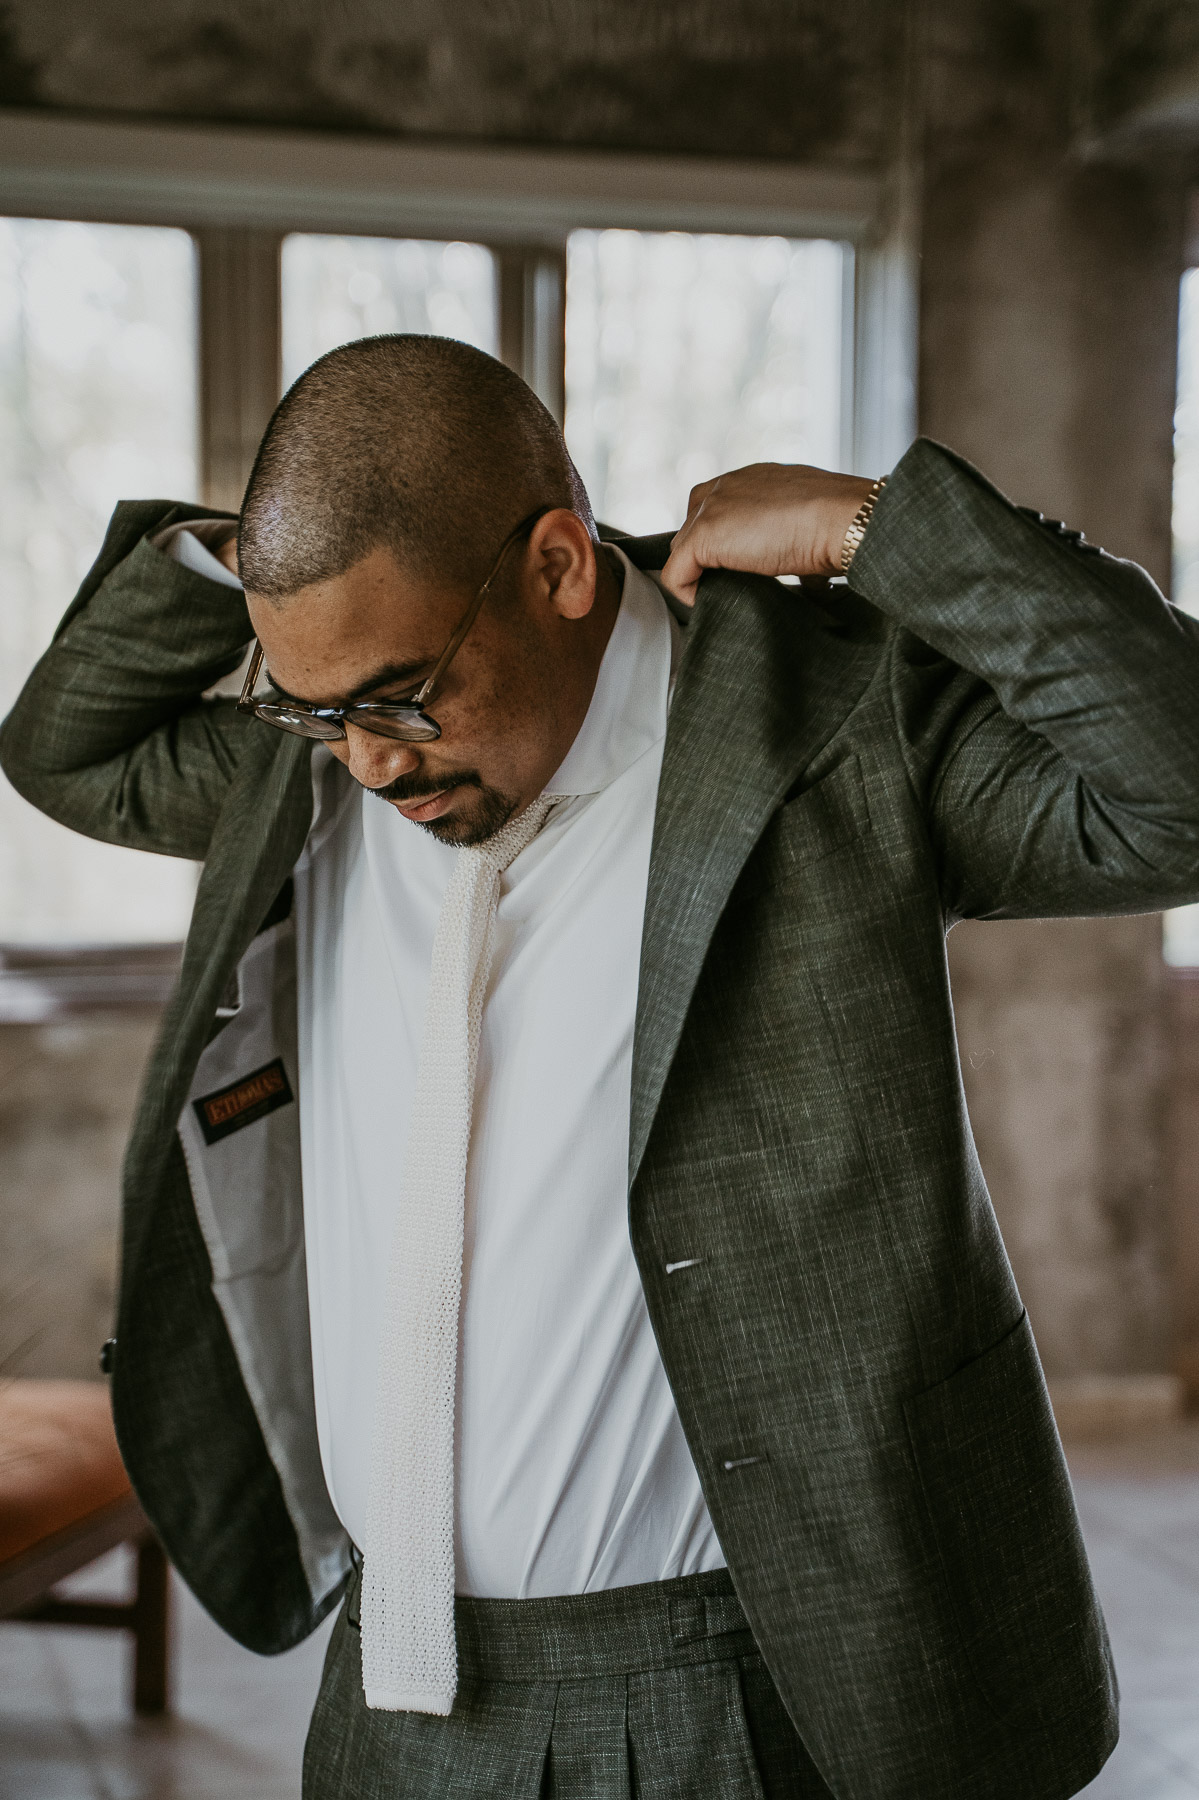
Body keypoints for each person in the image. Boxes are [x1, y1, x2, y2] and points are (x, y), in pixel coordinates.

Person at [4, 333, 1198, 1800]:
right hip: (388, 1695)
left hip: (744, 1691)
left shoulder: (829, 723)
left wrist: (886, 531)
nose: (367, 765)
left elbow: (1182, 790)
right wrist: (271, 558)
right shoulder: (317, 769)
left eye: (393, 693)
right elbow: (62, 745)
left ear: (562, 567)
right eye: (309, 711)